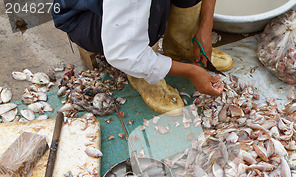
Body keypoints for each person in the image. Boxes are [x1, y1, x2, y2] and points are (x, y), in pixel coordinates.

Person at [52, 0, 233, 115]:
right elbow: (123, 52)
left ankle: (181, 43)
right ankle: (143, 77)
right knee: (155, 8)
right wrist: (190, 72)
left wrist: (205, 27)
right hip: (83, 14)